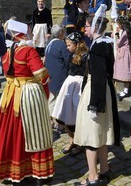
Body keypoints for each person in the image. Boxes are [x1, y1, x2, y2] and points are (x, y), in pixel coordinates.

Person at [0, 20, 54, 185]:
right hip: (28, 94)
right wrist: (47, 79)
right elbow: (41, 74)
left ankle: (9, 171)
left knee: (10, 132)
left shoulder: (8, 52)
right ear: (23, 34)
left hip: (10, 95)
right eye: (29, 31)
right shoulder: (28, 51)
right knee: (36, 132)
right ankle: (39, 173)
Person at [73, 10, 120, 186]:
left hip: (96, 92)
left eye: (86, 26)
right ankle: (105, 169)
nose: (84, 29)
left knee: (91, 134)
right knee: (99, 132)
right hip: (100, 90)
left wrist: (95, 104)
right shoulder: (102, 44)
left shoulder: (98, 48)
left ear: (94, 27)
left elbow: (99, 77)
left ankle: (93, 178)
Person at [51, 31, 88, 156]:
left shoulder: (85, 56)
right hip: (69, 85)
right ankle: (71, 139)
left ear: (77, 44)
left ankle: (80, 142)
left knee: (76, 115)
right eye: (66, 45)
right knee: (64, 115)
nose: (67, 48)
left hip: (79, 86)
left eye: (69, 45)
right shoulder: (70, 56)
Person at [44, 25, 71, 126]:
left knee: (51, 99)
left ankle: (50, 120)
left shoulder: (49, 44)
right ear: (60, 33)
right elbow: (68, 59)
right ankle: (56, 121)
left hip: (50, 74)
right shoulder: (61, 45)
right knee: (58, 100)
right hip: (59, 75)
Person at [113, 15, 131, 100]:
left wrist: (116, 34)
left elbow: (119, 43)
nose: (118, 26)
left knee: (125, 71)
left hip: (124, 54)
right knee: (125, 71)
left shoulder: (124, 33)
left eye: (118, 24)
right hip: (127, 53)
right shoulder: (128, 31)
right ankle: (125, 90)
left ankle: (126, 90)